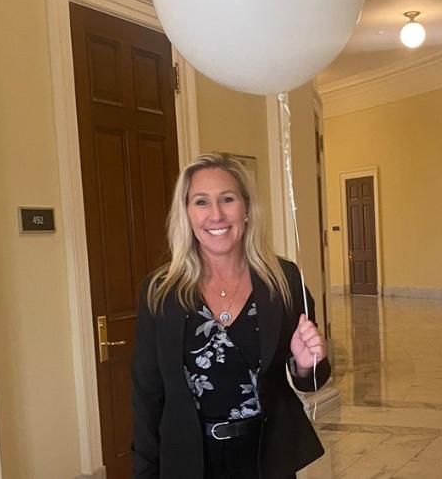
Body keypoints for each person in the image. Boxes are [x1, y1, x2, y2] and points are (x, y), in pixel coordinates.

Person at [132, 153, 332, 478]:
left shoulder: (283, 279)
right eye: (201, 202)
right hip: (190, 460)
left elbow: (311, 380)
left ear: (247, 208)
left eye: (227, 199)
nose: (216, 215)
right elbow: (146, 396)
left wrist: (304, 365)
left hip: (266, 459)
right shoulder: (159, 292)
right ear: (186, 213)